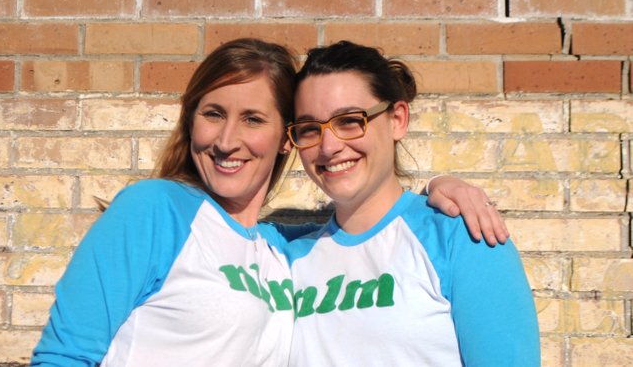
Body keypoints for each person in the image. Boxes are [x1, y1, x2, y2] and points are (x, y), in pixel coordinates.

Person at [31, 38, 508, 365]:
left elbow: (379, 229)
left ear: (283, 140)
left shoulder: (284, 247)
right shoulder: (154, 209)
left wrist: (433, 192)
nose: (226, 140)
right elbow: (64, 355)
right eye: (213, 113)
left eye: (253, 119)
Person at [285, 41, 540, 366]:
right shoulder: (285, 256)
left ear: (397, 120)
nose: (329, 146)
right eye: (309, 129)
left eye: (349, 120)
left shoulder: (462, 235)